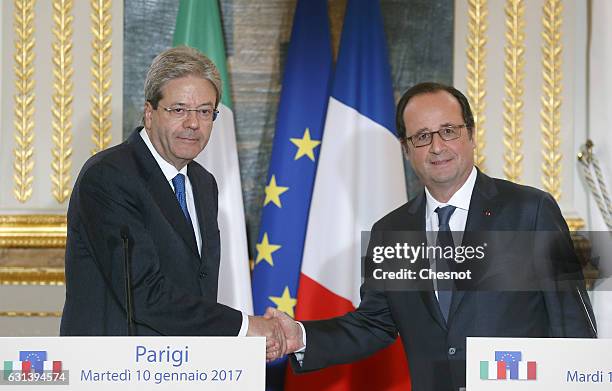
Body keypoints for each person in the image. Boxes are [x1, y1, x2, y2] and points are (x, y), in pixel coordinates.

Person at [267, 82, 597, 390]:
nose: (437, 146)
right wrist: (300, 335)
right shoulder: (390, 233)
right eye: (422, 137)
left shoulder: (530, 210)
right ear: (406, 148)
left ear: (471, 133)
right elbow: (374, 325)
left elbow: (571, 322)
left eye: (448, 131)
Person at [60, 46, 284, 359]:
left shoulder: (203, 184)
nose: (193, 123)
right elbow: (143, 293)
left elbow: (197, 290)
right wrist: (245, 327)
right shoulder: (109, 176)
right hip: (114, 370)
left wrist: (235, 343)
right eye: (179, 110)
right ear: (149, 114)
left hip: (184, 368)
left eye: (205, 111)